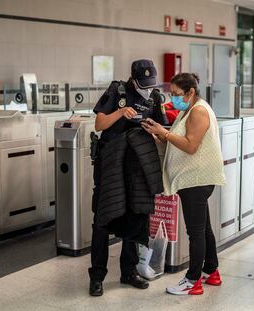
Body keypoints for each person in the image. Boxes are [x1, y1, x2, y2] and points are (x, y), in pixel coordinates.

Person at [141, 73, 226, 295]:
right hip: (193, 178)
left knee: (195, 232)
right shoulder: (188, 109)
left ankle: (193, 281)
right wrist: (158, 133)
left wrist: (164, 133)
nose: (173, 98)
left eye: (177, 94)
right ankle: (211, 271)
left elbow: (190, 146)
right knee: (204, 229)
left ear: (191, 92)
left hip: (196, 179)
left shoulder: (198, 111)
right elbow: (177, 141)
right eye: (172, 94)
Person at [88, 59, 167, 297]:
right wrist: (121, 112)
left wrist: (152, 130)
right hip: (111, 163)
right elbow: (99, 123)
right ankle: (97, 276)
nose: (147, 88)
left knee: (136, 215)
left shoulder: (155, 97)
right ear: (133, 79)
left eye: (151, 84)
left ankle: (128, 271)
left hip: (137, 165)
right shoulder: (117, 91)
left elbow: (162, 133)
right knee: (103, 218)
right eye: (143, 84)